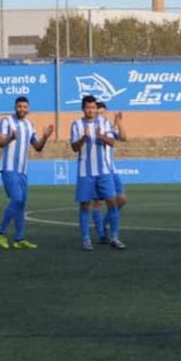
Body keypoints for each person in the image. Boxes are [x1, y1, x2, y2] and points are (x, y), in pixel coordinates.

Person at [0, 96, 53, 250]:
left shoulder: (29, 125)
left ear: (28, 109)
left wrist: (45, 137)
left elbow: (38, 147)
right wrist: (10, 138)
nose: (22, 109)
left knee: (21, 204)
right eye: (19, 106)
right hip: (8, 168)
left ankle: (19, 239)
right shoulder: (6, 121)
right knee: (17, 199)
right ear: (15, 107)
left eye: (24, 106)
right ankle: (0, 232)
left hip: (22, 170)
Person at [70, 95, 125, 251]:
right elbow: (74, 148)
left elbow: (112, 142)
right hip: (85, 172)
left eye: (93, 107)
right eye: (88, 108)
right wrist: (84, 138)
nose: (91, 110)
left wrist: (101, 136)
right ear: (83, 109)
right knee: (85, 205)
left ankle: (114, 237)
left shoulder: (104, 122)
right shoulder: (76, 125)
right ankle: (86, 239)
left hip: (104, 171)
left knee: (112, 202)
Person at [91, 101, 128, 244]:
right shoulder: (89, 126)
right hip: (97, 170)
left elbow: (123, 137)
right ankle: (101, 234)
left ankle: (104, 223)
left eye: (102, 112)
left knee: (122, 199)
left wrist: (119, 122)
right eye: (97, 111)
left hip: (112, 169)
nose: (99, 114)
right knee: (98, 203)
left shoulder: (109, 127)